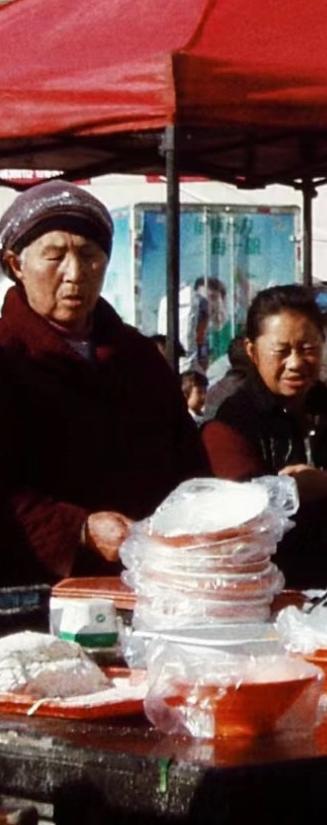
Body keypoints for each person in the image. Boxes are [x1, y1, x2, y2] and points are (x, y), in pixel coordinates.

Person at [0, 181, 208, 581]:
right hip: (37, 587)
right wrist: (77, 529)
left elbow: (187, 464)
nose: (74, 273)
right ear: (16, 264)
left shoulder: (140, 356)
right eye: (54, 256)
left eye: (89, 255)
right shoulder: (6, 359)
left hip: (151, 579)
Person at [202, 285, 327, 589]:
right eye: (281, 351)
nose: (296, 363)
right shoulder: (232, 419)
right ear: (252, 351)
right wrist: (294, 491)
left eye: (308, 348)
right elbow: (243, 507)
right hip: (266, 587)